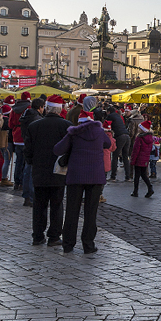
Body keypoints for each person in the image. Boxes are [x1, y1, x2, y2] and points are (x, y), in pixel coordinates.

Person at [53, 106, 112, 254]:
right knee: (91, 212)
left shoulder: (73, 133)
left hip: (76, 177)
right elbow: (108, 144)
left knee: (72, 211)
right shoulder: (99, 132)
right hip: (96, 177)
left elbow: (58, 149)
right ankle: (88, 244)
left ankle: (68, 244)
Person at [25, 95, 70, 245]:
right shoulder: (66, 126)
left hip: (39, 171)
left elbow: (28, 150)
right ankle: (54, 236)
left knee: (39, 205)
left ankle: (37, 235)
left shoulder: (34, 126)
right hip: (59, 171)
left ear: (47, 108)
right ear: (60, 110)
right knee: (57, 205)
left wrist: (32, 162)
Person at [130, 120, 157, 197]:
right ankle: (150, 188)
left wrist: (132, 160)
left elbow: (135, 150)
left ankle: (135, 191)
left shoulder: (139, 138)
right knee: (144, 175)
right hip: (145, 159)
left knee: (137, 176)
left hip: (138, 159)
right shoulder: (150, 138)